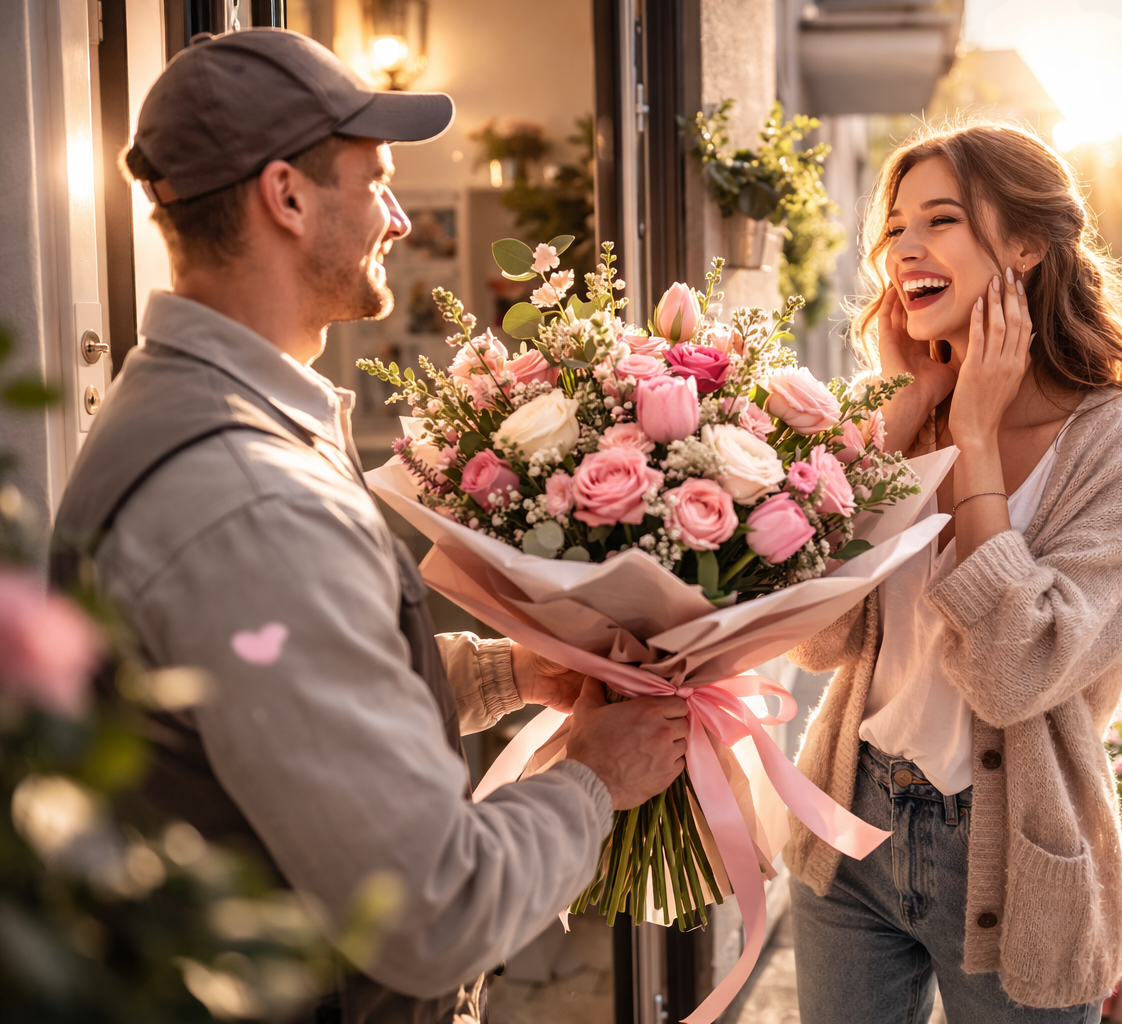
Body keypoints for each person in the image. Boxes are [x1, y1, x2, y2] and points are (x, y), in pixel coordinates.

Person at [49, 29, 688, 1024]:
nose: (397, 216)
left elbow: (278, 697)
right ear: (287, 197)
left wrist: (509, 674)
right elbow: (433, 908)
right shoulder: (248, 502)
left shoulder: (204, 424)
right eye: (376, 179)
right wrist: (596, 779)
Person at [783, 120, 1122, 1022]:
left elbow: (1017, 675)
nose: (904, 250)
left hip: (1012, 860)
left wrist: (973, 440)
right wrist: (899, 414)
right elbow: (813, 640)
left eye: (941, 220)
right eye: (895, 228)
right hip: (852, 819)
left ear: (1028, 245)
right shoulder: (900, 417)